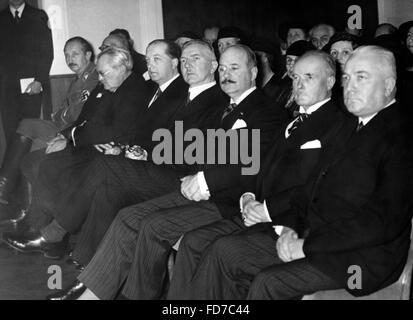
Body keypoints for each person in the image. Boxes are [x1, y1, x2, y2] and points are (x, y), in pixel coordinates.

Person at [168, 45, 413, 300]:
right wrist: (287, 223)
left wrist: (305, 245)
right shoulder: (357, 125)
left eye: (361, 77)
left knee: (262, 279)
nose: (349, 86)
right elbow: (315, 189)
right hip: (322, 236)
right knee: (223, 254)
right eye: (347, 78)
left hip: (360, 262)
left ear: (388, 86)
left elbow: (380, 223)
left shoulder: (400, 137)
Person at [46, 44, 286, 300]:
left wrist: (201, 176)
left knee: (119, 186)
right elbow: (193, 149)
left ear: (253, 71)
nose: (226, 73)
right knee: (127, 213)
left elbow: (248, 165)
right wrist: (149, 153)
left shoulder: (266, 111)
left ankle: (56, 233)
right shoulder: (226, 109)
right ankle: (90, 294)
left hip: (225, 199)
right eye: (224, 67)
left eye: (234, 67)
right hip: (193, 183)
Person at [2, 47, 150, 255]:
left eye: (103, 73)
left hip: (110, 151)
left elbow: (111, 131)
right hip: (92, 144)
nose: (100, 78)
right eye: (99, 72)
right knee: (44, 162)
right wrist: (67, 136)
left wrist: (71, 139)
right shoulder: (111, 84)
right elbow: (85, 119)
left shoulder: (134, 90)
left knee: (52, 164)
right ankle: (39, 227)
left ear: (122, 68)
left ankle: (50, 234)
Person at [0, 37, 98, 210]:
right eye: (66, 55)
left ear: (88, 55)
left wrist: (61, 116)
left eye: (75, 54)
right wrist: (60, 115)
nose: (70, 59)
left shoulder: (94, 77)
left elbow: (75, 113)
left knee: (27, 125)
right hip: (63, 125)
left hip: (72, 131)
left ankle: (4, 189)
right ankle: (25, 205)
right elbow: (64, 109)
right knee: (30, 140)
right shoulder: (79, 79)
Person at [0, 0, 53, 146]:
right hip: (6, 87)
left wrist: (39, 80)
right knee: (11, 130)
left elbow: (47, 52)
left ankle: (25, 166)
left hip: (32, 86)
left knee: (29, 130)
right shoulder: (1, 17)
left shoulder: (38, 16)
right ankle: (14, 168)